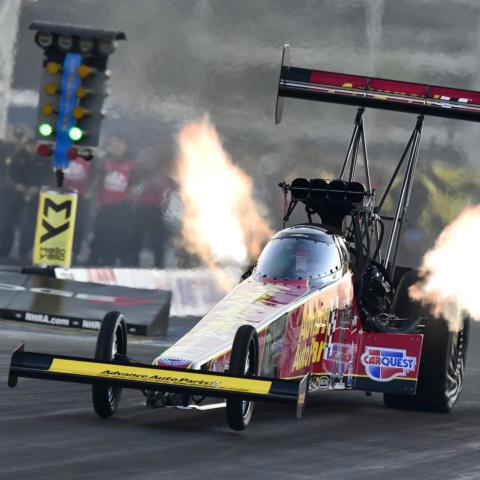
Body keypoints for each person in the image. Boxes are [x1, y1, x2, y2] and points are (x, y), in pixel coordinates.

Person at [88, 137, 136, 266]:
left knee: (115, 235)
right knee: (99, 233)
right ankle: (93, 260)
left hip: (120, 206)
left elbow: (133, 185)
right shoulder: (105, 162)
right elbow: (98, 181)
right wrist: (95, 199)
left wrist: (130, 201)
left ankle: (109, 261)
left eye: (120, 146)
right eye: (114, 146)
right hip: (104, 204)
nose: (117, 149)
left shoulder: (131, 165)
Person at [6, 137, 53, 261]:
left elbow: (48, 176)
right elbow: (9, 173)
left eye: (34, 146)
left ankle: (25, 251)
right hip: (16, 193)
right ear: (26, 145)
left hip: (35, 194)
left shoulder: (44, 159)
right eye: (30, 146)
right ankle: (4, 250)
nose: (32, 149)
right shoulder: (17, 156)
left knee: (31, 224)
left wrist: (38, 187)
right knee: (9, 221)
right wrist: (16, 185)